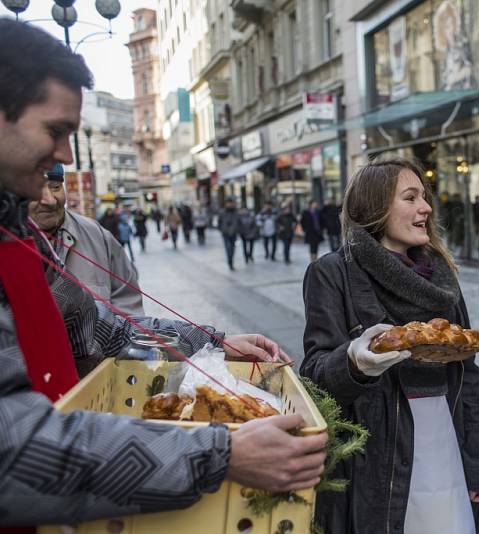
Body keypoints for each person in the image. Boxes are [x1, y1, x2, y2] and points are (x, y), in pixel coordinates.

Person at [0, 18, 326, 526]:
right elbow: (11, 447)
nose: (65, 156)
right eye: (55, 131)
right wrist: (218, 454)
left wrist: (213, 342)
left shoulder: (16, 232)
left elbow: (102, 330)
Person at [301, 157, 479, 533]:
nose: (425, 207)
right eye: (410, 198)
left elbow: (468, 374)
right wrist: (353, 364)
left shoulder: (441, 277)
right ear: (375, 208)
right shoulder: (332, 273)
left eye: (423, 197)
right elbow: (313, 375)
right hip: (376, 457)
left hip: (445, 439)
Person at [27, 164, 145, 316]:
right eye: (35, 190)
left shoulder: (97, 234)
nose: (50, 200)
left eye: (56, 187)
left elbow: (129, 303)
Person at [219, 197, 239, 270]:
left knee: (233, 249)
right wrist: (222, 230)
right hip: (226, 233)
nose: (230, 204)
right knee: (228, 248)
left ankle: (231, 261)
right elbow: (219, 222)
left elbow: (238, 221)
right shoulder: (222, 212)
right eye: (229, 203)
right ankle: (230, 262)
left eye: (231, 203)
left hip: (233, 233)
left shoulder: (236, 212)